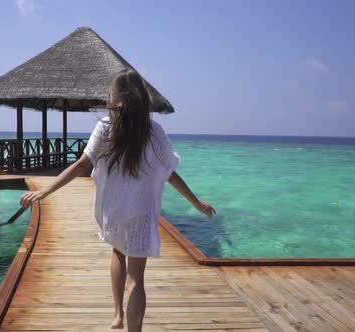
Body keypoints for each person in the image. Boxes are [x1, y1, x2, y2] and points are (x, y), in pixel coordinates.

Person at [20, 69, 216, 332]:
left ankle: (117, 315)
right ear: (143, 98)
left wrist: (46, 191)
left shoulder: (106, 127)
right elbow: (170, 173)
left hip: (115, 207)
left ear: (116, 96)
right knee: (137, 278)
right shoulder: (154, 132)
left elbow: (81, 165)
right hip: (142, 212)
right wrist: (196, 203)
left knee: (117, 251)